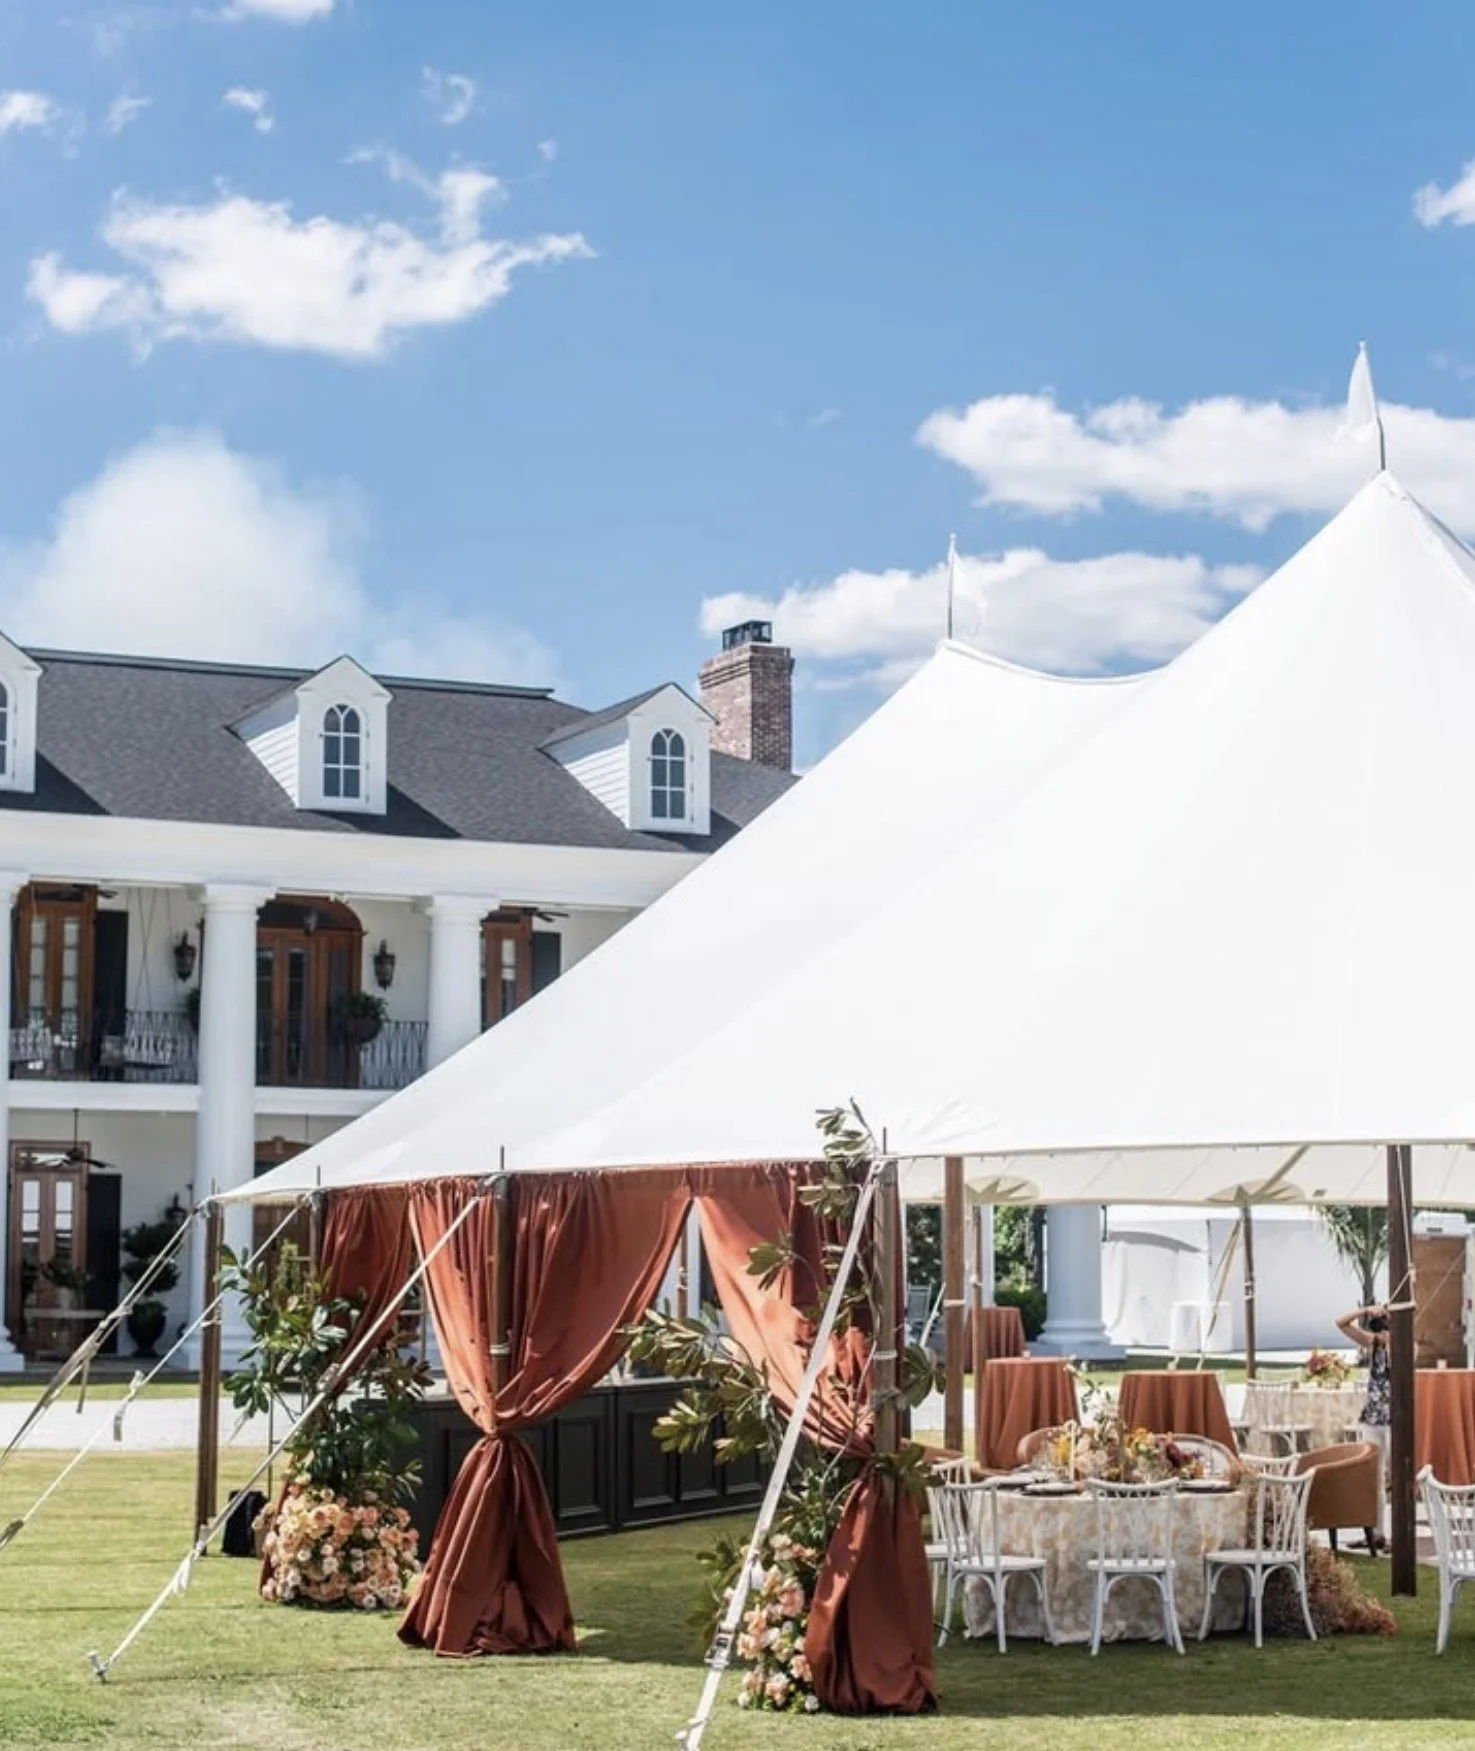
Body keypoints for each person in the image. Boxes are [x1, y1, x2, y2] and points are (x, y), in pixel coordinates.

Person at [1336, 1303, 1390, 1553]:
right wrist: (1367, 1311)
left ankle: (1397, 1534)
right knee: (1373, 1476)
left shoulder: (1406, 1345)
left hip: (1395, 1418)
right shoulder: (1373, 1342)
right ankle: (1376, 1532)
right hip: (1372, 1417)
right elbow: (1341, 1323)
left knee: (1397, 1477)